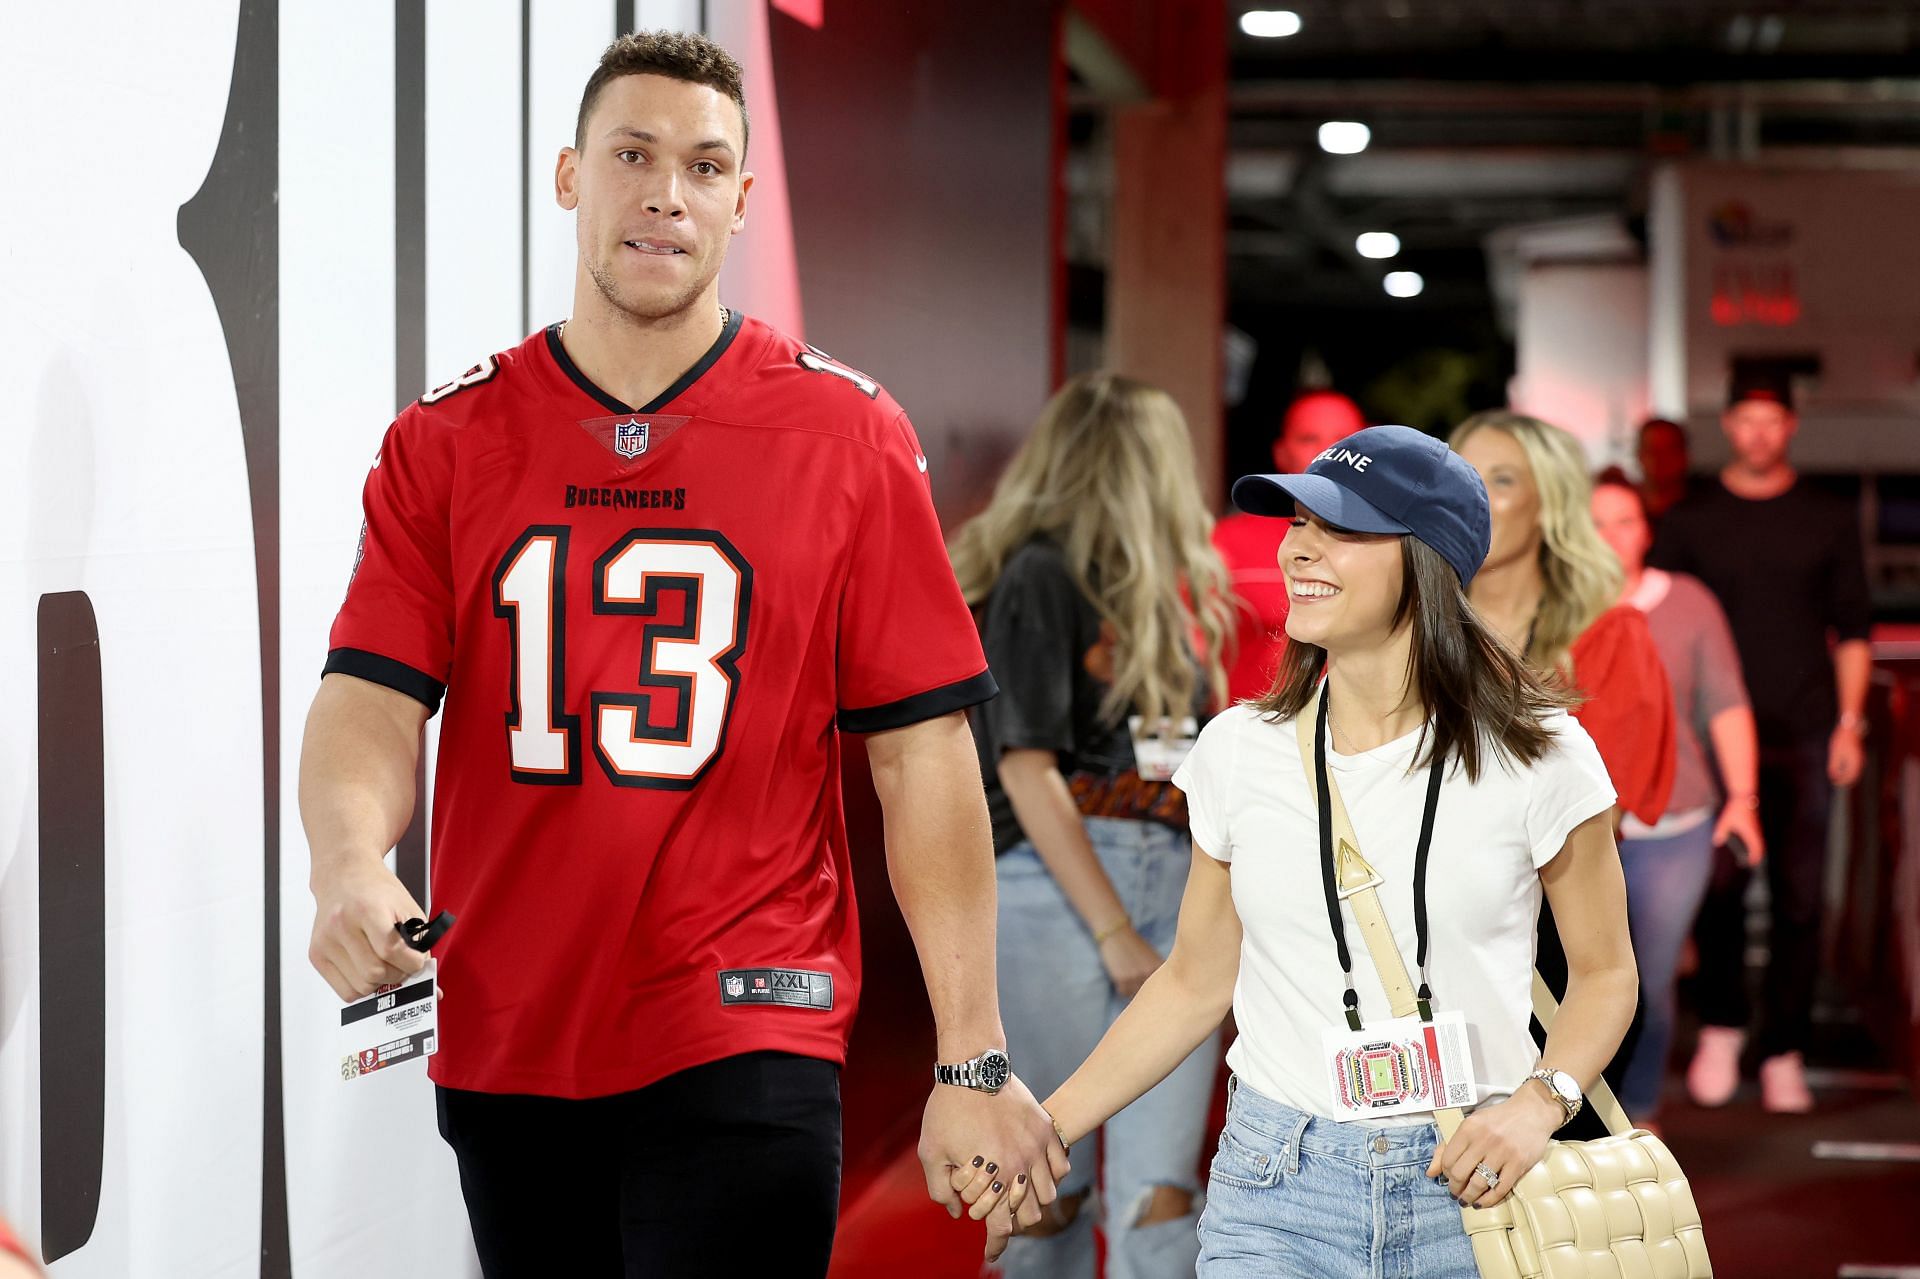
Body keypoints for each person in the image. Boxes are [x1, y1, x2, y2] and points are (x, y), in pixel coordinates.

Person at [298, 30, 1063, 1275]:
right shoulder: (447, 438)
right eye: (634, 155)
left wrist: (970, 1054)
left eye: (705, 166)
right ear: (569, 177)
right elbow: (372, 694)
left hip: (750, 1018)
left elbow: (923, 757)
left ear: (743, 201)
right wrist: (347, 859)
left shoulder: (847, 433)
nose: (667, 191)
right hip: (512, 1023)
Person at [953, 425, 1637, 1274]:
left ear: (1425, 561)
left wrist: (1541, 1103)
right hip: (1278, 1186)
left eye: (1338, 528)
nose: (1298, 549)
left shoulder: (1543, 754)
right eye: (1297, 524)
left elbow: (1606, 973)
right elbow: (1196, 981)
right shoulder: (1241, 748)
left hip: (1473, 1186)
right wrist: (1045, 1125)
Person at [950, 372, 1236, 1277]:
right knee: (1043, 1187)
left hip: (1168, 879)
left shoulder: (1160, 592)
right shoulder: (1040, 572)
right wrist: (1113, 925)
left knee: (1162, 1197)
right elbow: (1025, 769)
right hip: (1060, 890)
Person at [1651, 371, 1873, 1113]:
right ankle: (1721, 1026)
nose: (1756, 433)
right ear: (1729, 425)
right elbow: (1661, 631)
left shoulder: (1829, 517)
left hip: (1806, 728)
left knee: (1801, 900)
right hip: (1712, 738)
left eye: (1770, 420)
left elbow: (1853, 630)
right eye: (1744, 419)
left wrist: (1849, 723)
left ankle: (1785, 1047)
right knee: (1718, 891)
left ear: (1791, 426)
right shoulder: (1690, 519)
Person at [1449, 411, 1674, 1137]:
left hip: (1554, 949)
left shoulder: (1609, 633)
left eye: (1502, 479)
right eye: (1464, 474)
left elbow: (1596, 818)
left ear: (1549, 505)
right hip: (1414, 940)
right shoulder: (1410, 624)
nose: (1476, 493)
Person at [1591, 471, 1763, 1126]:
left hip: (1675, 826)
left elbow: (1725, 703)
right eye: (1595, 521)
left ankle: (1636, 1112)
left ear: (1648, 530)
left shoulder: (1688, 602)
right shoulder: (1553, 605)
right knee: (1576, 981)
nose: (1610, 536)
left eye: (1625, 520)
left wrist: (1743, 798)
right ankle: (1576, 1117)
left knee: (1648, 985)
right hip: (1574, 834)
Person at [1212, 391, 1368, 702]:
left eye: (1344, 440)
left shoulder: (1389, 544)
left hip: (1358, 737)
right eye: (1309, 438)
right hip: (1252, 731)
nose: (1328, 453)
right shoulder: (1225, 542)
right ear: (1282, 453)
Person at [1637, 418, 1694, 524]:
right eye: (1652, 451)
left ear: (1685, 456)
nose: (1661, 459)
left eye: (1669, 451)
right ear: (1640, 455)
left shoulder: (1706, 510)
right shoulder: (1627, 508)